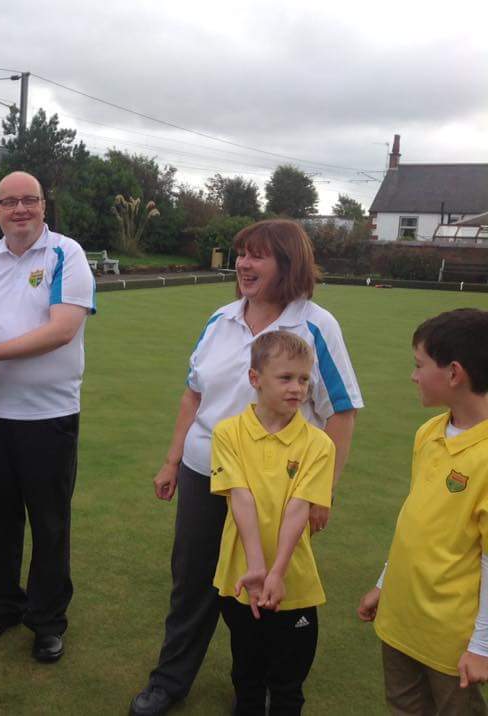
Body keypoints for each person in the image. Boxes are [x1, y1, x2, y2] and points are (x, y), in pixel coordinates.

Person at [130, 219, 363, 715]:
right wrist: (172, 461)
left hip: (277, 488)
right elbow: (194, 395)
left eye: (257, 255)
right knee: (192, 582)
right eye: (241, 254)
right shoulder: (220, 319)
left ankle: (255, 687)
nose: (243, 264)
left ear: (288, 264)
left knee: (264, 584)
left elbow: (341, 412)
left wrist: (322, 492)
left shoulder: (316, 325)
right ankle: (169, 681)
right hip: (204, 473)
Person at [0, 170, 94, 663]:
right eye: (9, 202)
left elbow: (62, 330)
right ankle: (3, 605)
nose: (20, 209)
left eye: (29, 200)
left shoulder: (66, 254)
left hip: (49, 416)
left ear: (43, 206)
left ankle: (47, 620)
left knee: (50, 525)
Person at [358, 308, 488, 715]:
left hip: (451, 641)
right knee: (403, 706)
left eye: (419, 365)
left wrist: (482, 646)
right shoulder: (428, 433)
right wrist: (385, 583)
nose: (413, 376)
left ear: (454, 373)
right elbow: (415, 521)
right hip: (400, 619)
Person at [212, 330, 334, 715]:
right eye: (285, 378)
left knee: (287, 686)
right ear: (255, 378)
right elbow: (241, 498)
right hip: (240, 577)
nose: (297, 388)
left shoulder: (319, 444)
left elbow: (298, 509)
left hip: (293, 581)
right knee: (246, 677)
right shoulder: (228, 433)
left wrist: (276, 572)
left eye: (303, 378)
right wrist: (256, 568)